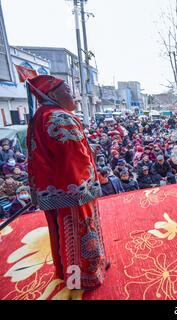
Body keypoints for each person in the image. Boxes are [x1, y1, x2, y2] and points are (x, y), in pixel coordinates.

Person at [26, 75, 108, 290]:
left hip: (53, 186)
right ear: (53, 95)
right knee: (82, 230)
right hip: (74, 187)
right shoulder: (60, 117)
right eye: (70, 92)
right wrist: (87, 185)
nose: (75, 97)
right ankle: (87, 275)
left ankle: (68, 275)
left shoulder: (42, 115)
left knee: (62, 232)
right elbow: (74, 158)